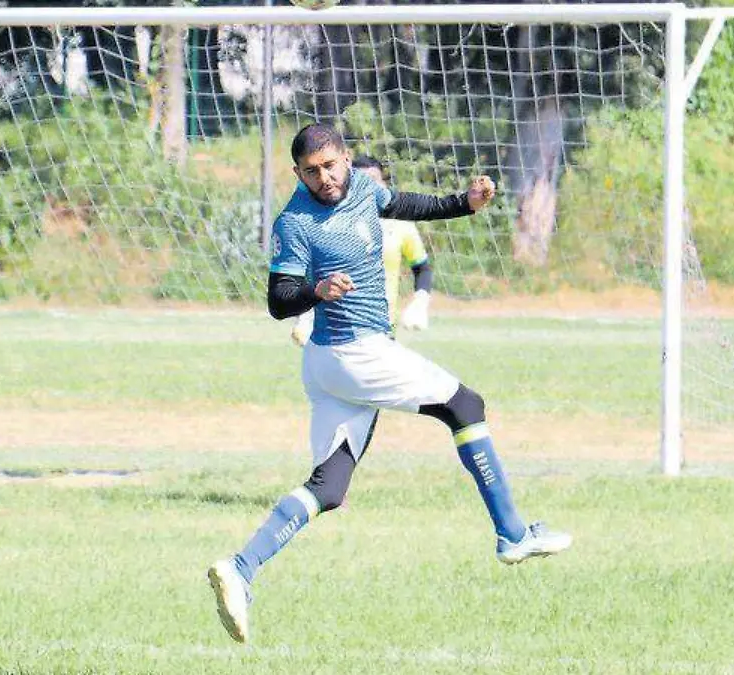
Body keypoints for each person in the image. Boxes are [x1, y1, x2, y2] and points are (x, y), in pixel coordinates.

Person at [207, 125, 571, 644]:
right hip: (354, 353)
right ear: (297, 174)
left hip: (332, 367)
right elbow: (277, 300)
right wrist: (316, 289)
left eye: (330, 166)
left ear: (346, 160)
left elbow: (407, 203)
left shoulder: (362, 189)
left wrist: (464, 203)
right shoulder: (296, 221)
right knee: (465, 405)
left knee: (329, 488)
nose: (324, 178)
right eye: (311, 171)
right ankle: (513, 534)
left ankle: (240, 568)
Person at [290, 154, 433, 345]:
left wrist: (420, 301)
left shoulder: (400, 225)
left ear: (383, 184)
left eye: (373, 180)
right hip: (334, 332)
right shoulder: (324, 223)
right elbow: (305, 273)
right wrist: (305, 315)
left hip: (382, 330)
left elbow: (422, 268)